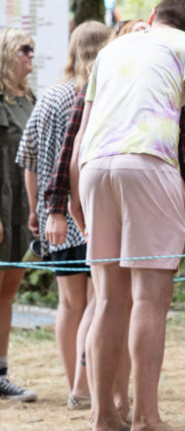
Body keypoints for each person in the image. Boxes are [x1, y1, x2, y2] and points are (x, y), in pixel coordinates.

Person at [71, 0, 185, 431]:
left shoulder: (111, 50)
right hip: (148, 164)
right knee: (148, 300)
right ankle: (147, 418)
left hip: (95, 168)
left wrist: (76, 196)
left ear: (151, 19)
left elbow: (82, 134)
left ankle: (103, 416)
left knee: (109, 299)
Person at [45, 20, 185, 424]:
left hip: (105, 177)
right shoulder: (116, 73)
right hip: (128, 177)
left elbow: (179, 144)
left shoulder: (132, 74)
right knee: (131, 301)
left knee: (115, 302)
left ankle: (115, 411)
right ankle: (132, 414)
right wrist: (59, 206)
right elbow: (72, 143)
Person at [16, 21, 112, 410]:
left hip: (54, 213)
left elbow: (29, 158)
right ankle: (85, 386)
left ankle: (75, 378)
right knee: (97, 301)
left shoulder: (51, 95)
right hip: (91, 212)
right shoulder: (100, 92)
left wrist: (37, 209)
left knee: (69, 304)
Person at [0, 28, 36, 401]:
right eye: (24, 50)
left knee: (7, 291)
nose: (30, 57)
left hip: (21, 208)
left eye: (32, 51)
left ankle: (1, 372)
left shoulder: (30, 98)